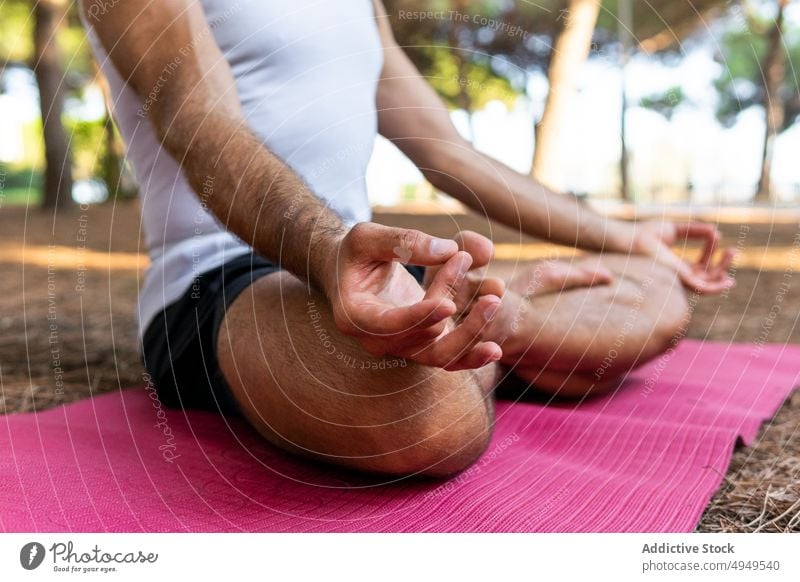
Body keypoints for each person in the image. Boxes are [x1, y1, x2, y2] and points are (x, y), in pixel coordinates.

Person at [80, 0, 733, 477]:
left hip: (371, 274)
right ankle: (497, 337)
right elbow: (196, 116)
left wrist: (624, 236)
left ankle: (492, 322)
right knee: (431, 423)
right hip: (219, 283)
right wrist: (327, 250)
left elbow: (446, 149)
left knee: (658, 291)